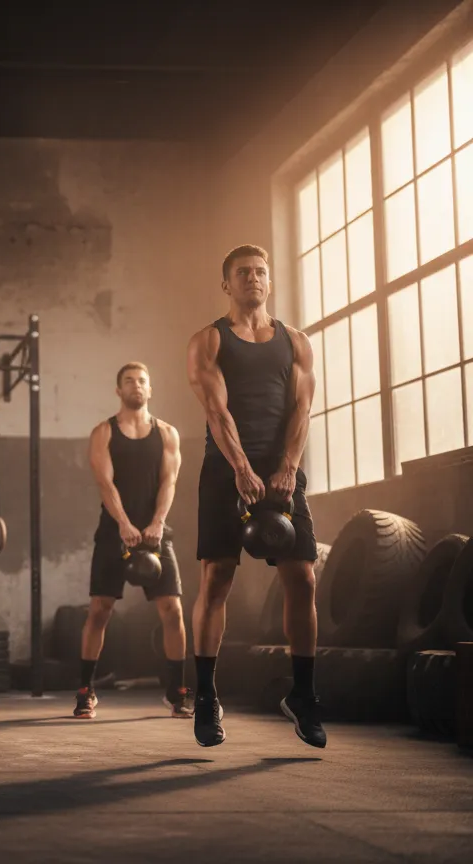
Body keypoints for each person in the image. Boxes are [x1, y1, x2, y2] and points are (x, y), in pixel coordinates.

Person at [186, 244, 325, 749]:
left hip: (281, 469)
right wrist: (241, 468)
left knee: (302, 577)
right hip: (225, 469)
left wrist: (288, 466)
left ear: (271, 280)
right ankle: (206, 696)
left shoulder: (296, 342)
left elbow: (303, 409)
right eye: (242, 272)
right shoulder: (209, 340)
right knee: (217, 577)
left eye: (261, 271)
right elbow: (217, 411)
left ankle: (303, 696)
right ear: (226, 284)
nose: (253, 278)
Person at [75, 362, 191, 720]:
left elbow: (169, 482)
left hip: (156, 533)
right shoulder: (103, 433)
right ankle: (85, 691)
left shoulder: (167, 433)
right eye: (129, 381)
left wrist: (158, 523)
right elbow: (105, 483)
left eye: (142, 381)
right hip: (114, 532)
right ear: (118, 390)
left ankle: (177, 692)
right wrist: (123, 523)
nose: (136, 386)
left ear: (150, 389)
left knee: (173, 610)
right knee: (100, 610)